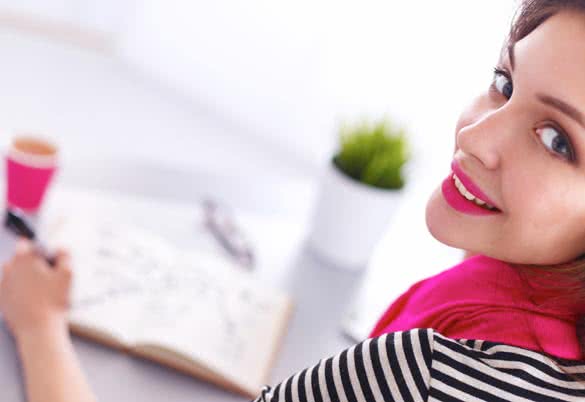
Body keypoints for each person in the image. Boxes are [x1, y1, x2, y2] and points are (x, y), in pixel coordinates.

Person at [4, 0, 585, 401]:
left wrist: (38, 323)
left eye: (558, 141)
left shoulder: (435, 370)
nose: (474, 137)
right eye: (504, 83)